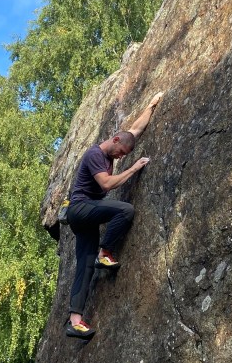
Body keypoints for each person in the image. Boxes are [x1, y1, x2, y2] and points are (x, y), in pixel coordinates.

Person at [65, 92, 164, 339]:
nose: (121, 157)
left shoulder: (117, 145)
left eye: (124, 156)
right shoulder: (95, 155)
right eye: (121, 153)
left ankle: (75, 321)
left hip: (86, 216)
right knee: (125, 210)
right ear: (114, 139)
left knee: (84, 266)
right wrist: (133, 168)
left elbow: (135, 130)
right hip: (79, 209)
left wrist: (151, 105)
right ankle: (105, 251)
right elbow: (107, 184)